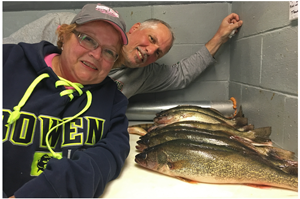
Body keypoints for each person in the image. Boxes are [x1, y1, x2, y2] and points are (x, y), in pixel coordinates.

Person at [3, 3, 130, 198]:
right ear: (63, 36)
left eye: (108, 52)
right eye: (88, 39)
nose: (96, 55)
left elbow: (108, 156)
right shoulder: (8, 61)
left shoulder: (113, 99)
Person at [3, 10, 243, 99]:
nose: (150, 51)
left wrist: (220, 36)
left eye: (158, 53)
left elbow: (181, 74)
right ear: (135, 28)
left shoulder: (141, 75)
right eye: (151, 39)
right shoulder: (64, 24)